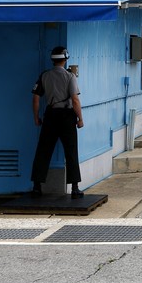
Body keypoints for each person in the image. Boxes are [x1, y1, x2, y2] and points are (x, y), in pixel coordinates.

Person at [30, 46, 85, 199]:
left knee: (43, 150)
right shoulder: (70, 76)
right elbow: (75, 99)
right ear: (66, 58)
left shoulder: (44, 75)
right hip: (67, 116)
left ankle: (36, 186)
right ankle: (74, 188)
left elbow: (35, 97)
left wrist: (36, 117)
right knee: (71, 151)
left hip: (50, 115)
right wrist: (80, 118)